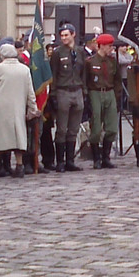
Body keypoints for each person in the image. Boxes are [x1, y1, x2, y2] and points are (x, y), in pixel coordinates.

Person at [0, 44, 38, 177]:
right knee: (18, 138)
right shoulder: (24, 69)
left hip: (1, 109)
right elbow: (30, 92)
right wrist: (33, 108)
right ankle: (19, 166)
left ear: (2, 55)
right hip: (18, 107)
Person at [49, 23, 86, 172]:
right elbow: (54, 74)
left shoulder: (80, 51)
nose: (64, 38)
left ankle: (70, 160)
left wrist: (85, 92)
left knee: (74, 128)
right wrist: (53, 94)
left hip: (77, 90)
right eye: (62, 35)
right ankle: (60, 161)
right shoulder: (58, 53)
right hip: (63, 91)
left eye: (66, 35)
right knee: (62, 128)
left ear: (73, 35)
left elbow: (83, 72)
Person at [84, 33, 121, 169]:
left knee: (111, 128)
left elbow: (117, 79)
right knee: (96, 128)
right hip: (95, 93)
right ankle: (96, 158)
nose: (111, 48)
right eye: (109, 46)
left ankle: (106, 157)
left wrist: (116, 95)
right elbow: (86, 80)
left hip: (109, 92)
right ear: (102, 46)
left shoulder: (112, 61)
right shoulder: (90, 61)